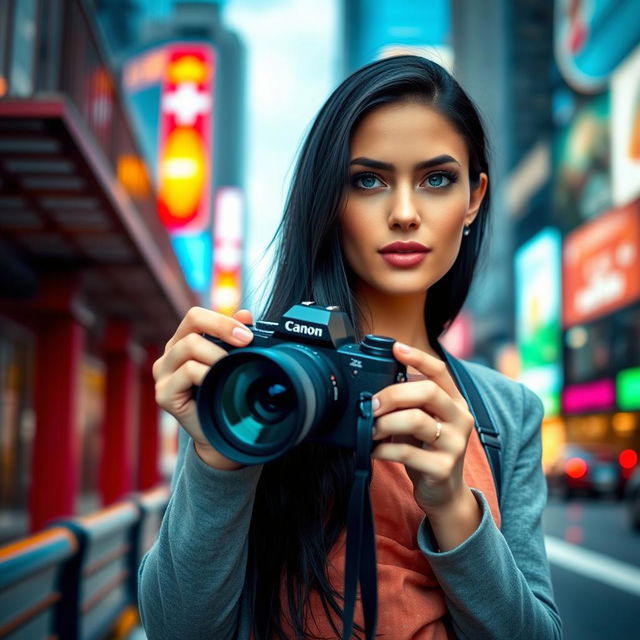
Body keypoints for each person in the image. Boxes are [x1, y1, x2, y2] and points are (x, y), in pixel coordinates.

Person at [140, 55, 562, 639]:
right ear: (329, 200)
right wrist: (218, 460)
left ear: (473, 198)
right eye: (368, 180)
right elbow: (177, 629)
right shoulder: (260, 380)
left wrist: (453, 508)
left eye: (437, 179)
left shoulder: (506, 412)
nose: (406, 213)